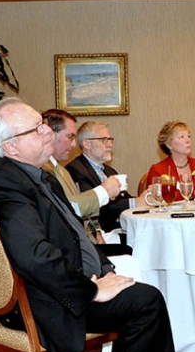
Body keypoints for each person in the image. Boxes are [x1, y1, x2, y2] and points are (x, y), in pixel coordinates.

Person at [0, 98, 195, 352]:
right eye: (35, 129)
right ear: (11, 147)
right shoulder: (6, 185)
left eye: (43, 124)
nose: (46, 132)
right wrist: (92, 290)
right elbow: (33, 256)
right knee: (146, 301)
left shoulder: (36, 176)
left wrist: (104, 269)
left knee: (129, 285)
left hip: (58, 285)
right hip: (41, 301)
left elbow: (73, 235)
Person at [41, 109, 129, 254]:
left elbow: (81, 211)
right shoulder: (45, 170)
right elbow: (68, 208)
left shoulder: (61, 169)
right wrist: (104, 191)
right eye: (70, 137)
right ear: (49, 135)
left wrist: (95, 231)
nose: (74, 144)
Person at [66, 121, 146, 232]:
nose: (110, 145)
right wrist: (135, 203)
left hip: (119, 229)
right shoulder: (76, 170)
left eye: (110, 140)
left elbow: (123, 199)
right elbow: (94, 207)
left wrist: (144, 198)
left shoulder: (109, 170)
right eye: (104, 140)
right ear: (87, 144)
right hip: (100, 234)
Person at [146, 121, 195, 200]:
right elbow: (153, 201)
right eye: (182, 137)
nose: (188, 140)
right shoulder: (157, 170)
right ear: (168, 144)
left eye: (189, 136)